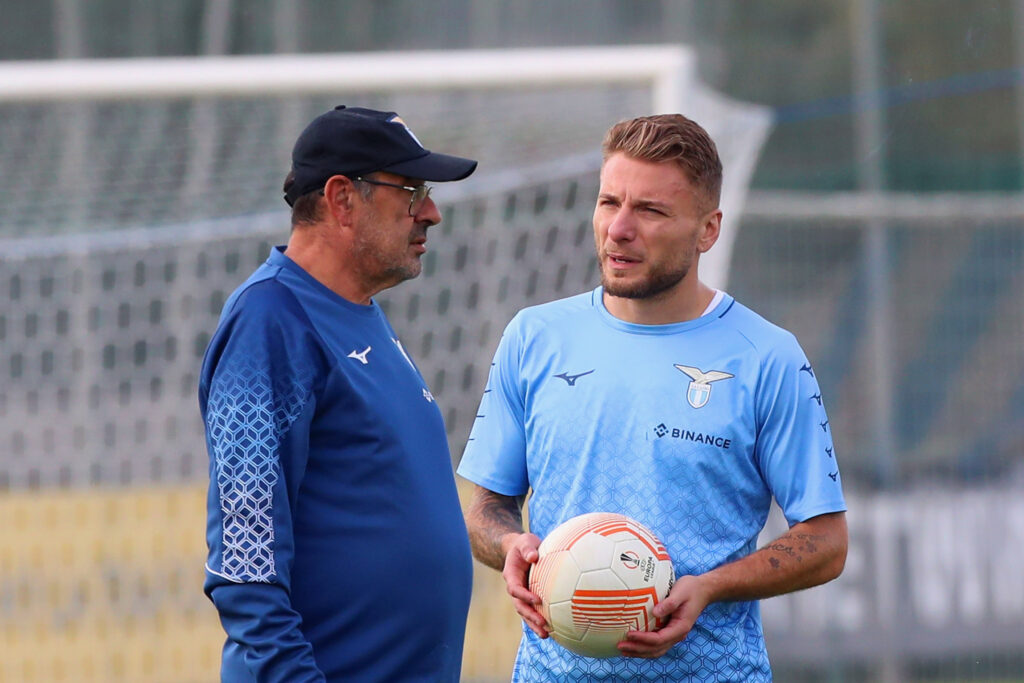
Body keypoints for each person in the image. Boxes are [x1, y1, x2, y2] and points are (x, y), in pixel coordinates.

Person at [458, 113, 848, 681]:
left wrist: (710, 586)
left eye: (650, 210)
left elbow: (826, 542)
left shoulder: (768, 357)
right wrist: (511, 545)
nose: (619, 228)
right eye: (609, 202)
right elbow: (485, 510)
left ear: (708, 230)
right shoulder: (533, 337)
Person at [199, 105, 478, 682]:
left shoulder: (360, 314)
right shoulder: (270, 321)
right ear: (342, 199)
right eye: (412, 192)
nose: (431, 213)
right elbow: (246, 558)